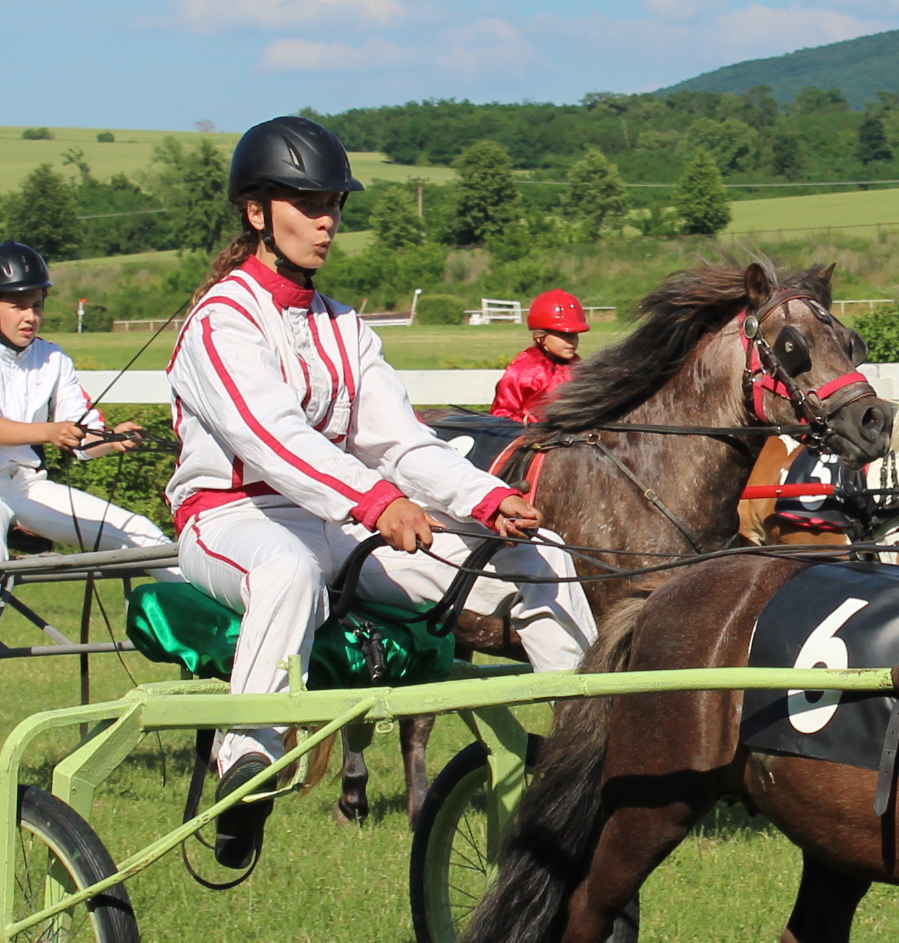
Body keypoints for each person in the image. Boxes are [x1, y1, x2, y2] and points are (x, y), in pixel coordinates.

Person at [167, 117, 596, 869]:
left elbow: (401, 442)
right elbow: (273, 440)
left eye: (334, 203)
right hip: (230, 519)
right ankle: (247, 765)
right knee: (287, 571)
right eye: (308, 203)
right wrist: (374, 503)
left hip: (340, 525)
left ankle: (590, 753)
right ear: (257, 211)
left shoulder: (343, 325)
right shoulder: (221, 321)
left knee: (544, 558)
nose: (328, 220)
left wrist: (485, 500)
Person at [0, 241, 168, 670]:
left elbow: (81, 433)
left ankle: (219, 614)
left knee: (141, 531)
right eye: (19, 305)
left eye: (36, 305)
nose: (30, 316)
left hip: (27, 486)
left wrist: (115, 439)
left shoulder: (54, 358)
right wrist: (50, 432)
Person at [490, 288, 589, 420]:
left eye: (574, 335)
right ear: (540, 336)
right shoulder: (524, 371)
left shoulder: (578, 366)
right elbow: (502, 415)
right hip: (531, 438)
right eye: (563, 335)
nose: (571, 341)